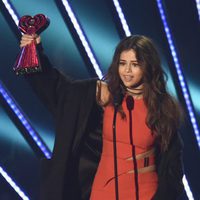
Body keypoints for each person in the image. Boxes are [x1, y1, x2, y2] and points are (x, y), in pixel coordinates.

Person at [20, 34, 184, 200]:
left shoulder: (163, 109)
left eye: (134, 64)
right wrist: (35, 52)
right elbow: (59, 90)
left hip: (146, 194)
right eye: (122, 63)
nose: (127, 71)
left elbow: (173, 169)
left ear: (149, 66)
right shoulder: (106, 96)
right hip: (103, 193)